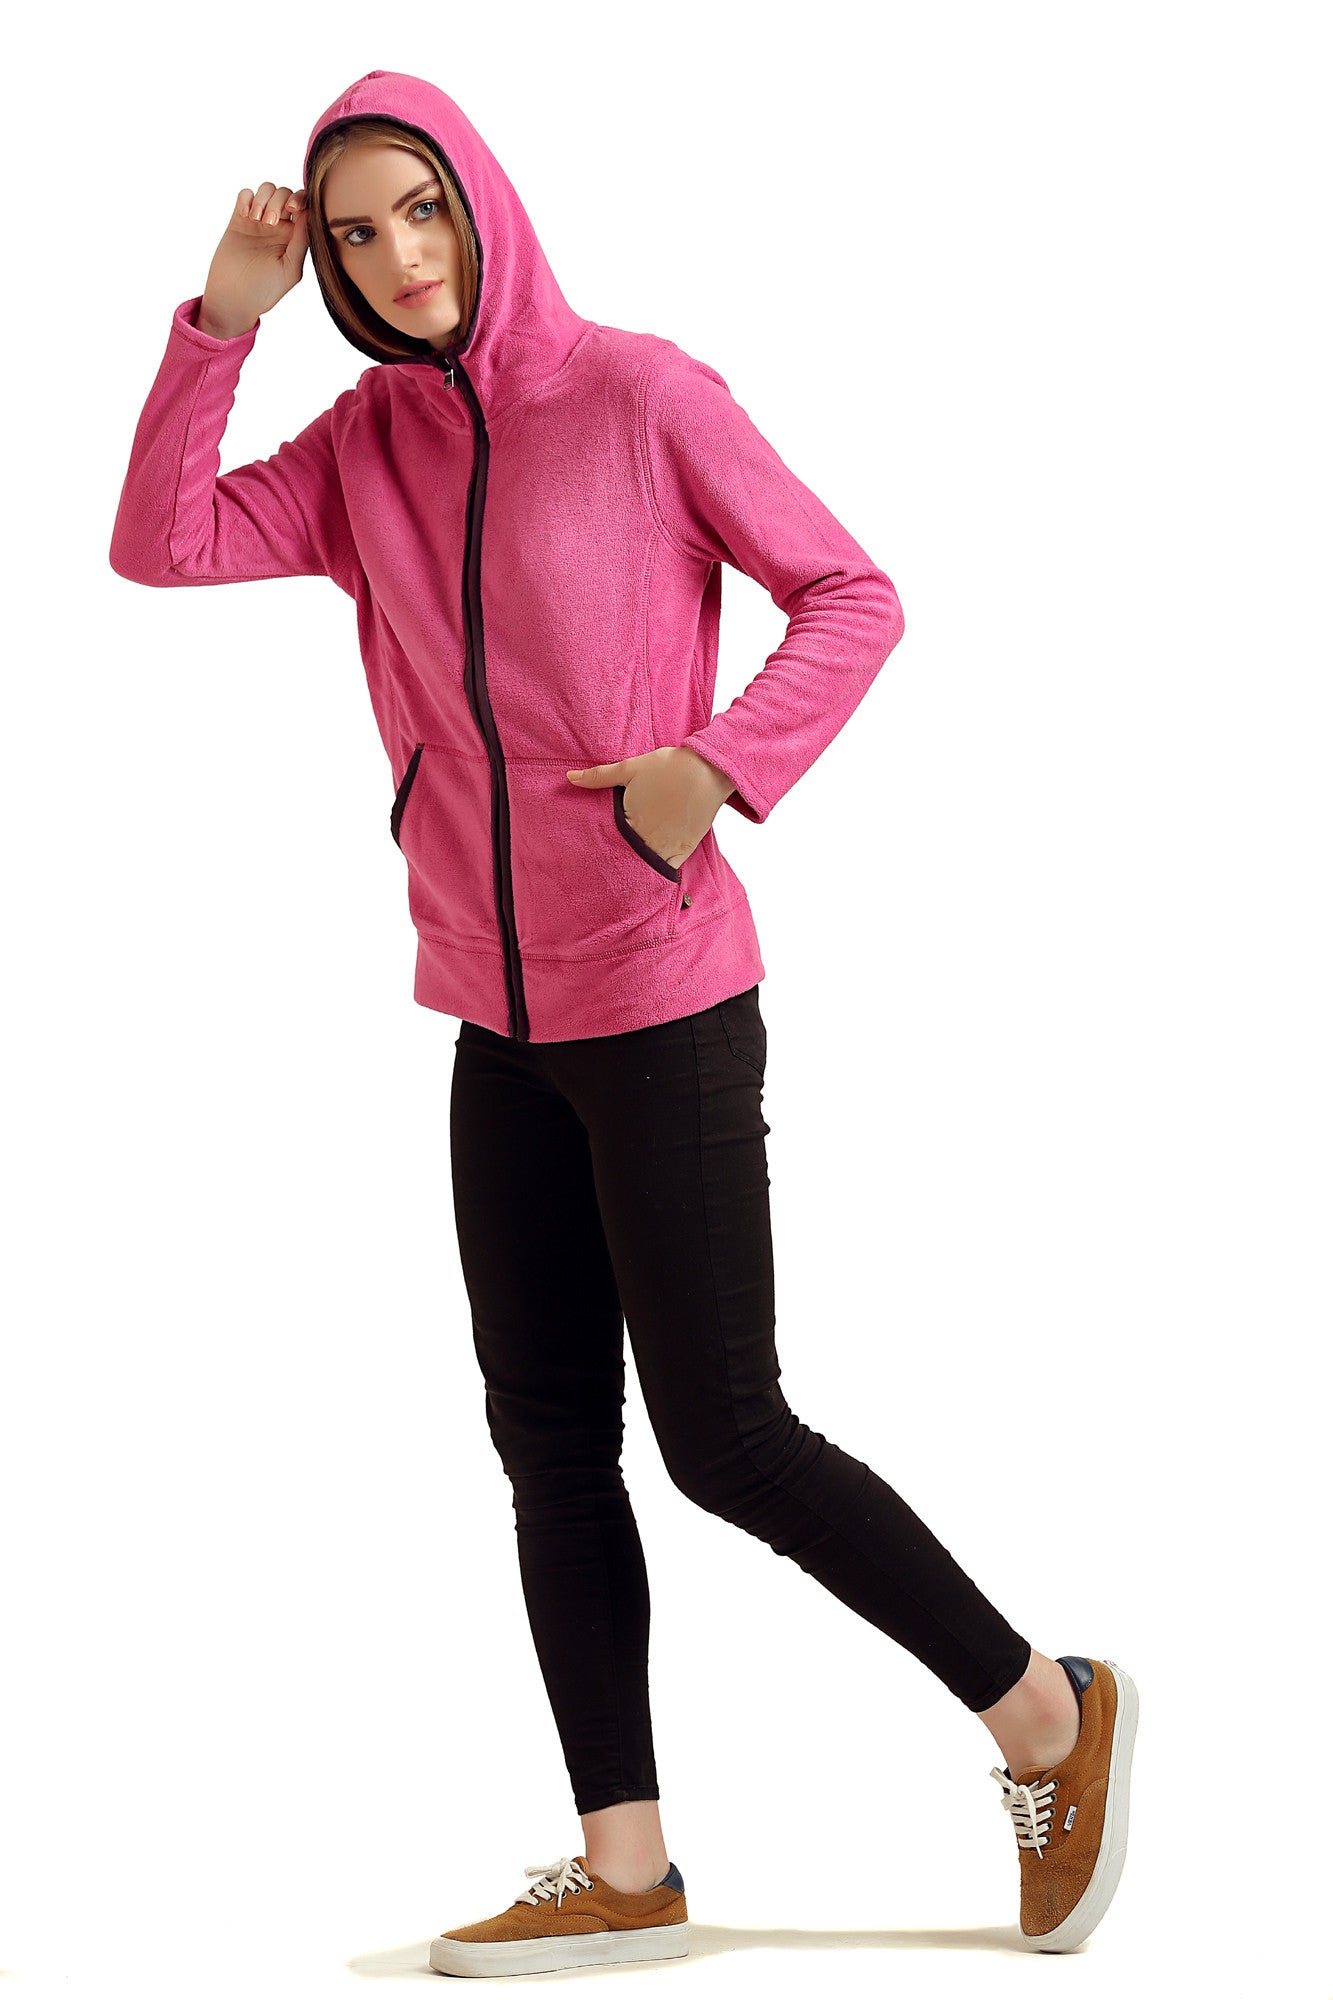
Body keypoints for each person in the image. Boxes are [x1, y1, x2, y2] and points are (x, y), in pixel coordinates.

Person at [109, 68, 1138, 1980]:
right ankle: (628, 1869)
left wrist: (714, 768)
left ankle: (1044, 1714)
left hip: (661, 999)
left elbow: (850, 593)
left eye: (420, 208)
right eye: (353, 234)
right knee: (550, 1449)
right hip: (489, 1016)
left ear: (482, 202)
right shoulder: (361, 444)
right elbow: (162, 545)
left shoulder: (640, 397)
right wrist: (218, 327)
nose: (395, 257)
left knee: (727, 1438)